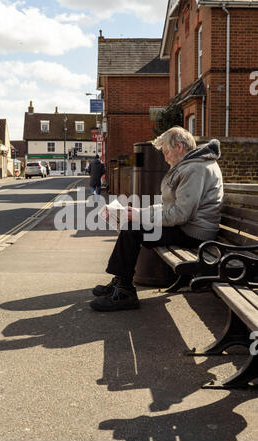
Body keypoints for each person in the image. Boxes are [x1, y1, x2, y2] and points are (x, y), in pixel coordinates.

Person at [89, 126, 224, 312]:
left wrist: (140, 216)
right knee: (132, 225)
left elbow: (180, 215)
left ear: (179, 146)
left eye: (166, 151)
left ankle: (125, 291)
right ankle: (121, 282)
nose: (165, 157)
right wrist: (138, 211)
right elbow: (169, 207)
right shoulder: (192, 165)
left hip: (193, 233)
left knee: (133, 229)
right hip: (187, 228)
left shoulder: (195, 169)